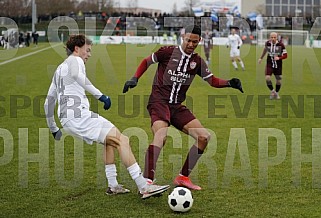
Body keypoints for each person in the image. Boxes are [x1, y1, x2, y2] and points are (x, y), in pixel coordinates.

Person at [44, 34, 169, 199]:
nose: (89, 54)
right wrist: (100, 96)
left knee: (108, 141)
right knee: (122, 140)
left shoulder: (59, 69)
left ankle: (113, 185)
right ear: (77, 49)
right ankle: (144, 186)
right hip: (79, 116)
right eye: (87, 50)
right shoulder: (76, 61)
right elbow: (77, 76)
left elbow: (49, 101)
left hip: (68, 119)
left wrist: (53, 127)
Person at [123, 25, 243, 190]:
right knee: (161, 135)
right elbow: (146, 61)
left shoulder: (197, 62)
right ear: (182, 38)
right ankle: (147, 182)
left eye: (195, 41)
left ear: (199, 41)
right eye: (188, 40)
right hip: (159, 102)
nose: (191, 44)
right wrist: (134, 78)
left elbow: (212, 81)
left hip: (177, 106)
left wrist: (230, 83)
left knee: (204, 137)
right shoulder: (167, 52)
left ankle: (183, 177)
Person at [258, 32, 287, 100]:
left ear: (277, 37)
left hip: (278, 65)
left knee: (278, 80)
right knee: (267, 78)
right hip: (269, 63)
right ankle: (272, 91)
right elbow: (265, 50)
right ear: (270, 37)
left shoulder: (281, 45)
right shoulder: (267, 43)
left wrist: (279, 58)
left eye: (274, 37)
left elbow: (286, 55)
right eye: (272, 37)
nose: (273, 39)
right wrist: (261, 58)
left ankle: (276, 93)